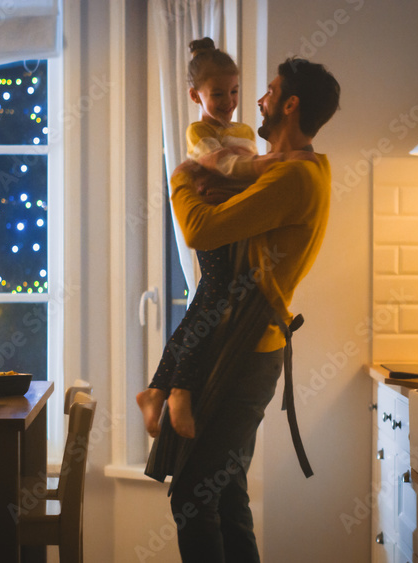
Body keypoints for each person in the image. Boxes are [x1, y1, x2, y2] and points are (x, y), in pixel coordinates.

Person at [147, 57, 341, 562]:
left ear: (290, 104)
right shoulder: (296, 170)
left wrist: (181, 176)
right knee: (226, 493)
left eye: (270, 91)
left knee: (193, 494)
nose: (257, 98)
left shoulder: (292, 177)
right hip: (248, 344)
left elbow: (199, 230)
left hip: (246, 350)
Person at [136, 37, 292, 440]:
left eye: (235, 91)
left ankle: (157, 390)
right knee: (213, 300)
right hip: (212, 224)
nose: (229, 100)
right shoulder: (198, 130)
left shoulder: (241, 129)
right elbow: (220, 164)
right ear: (195, 95)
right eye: (218, 93)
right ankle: (179, 392)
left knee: (207, 301)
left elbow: (236, 177)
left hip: (230, 224)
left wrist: (243, 175)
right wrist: (268, 164)